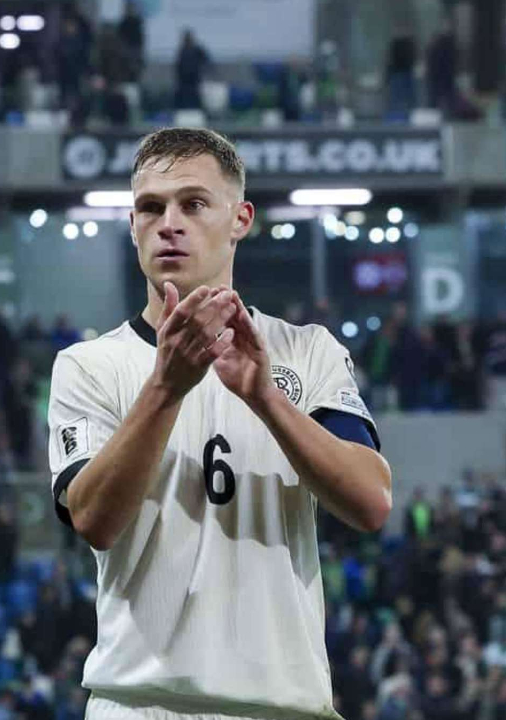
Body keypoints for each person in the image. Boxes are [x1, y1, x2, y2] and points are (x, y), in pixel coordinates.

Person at [47, 128, 391, 719]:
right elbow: (94, 521)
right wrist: (166, 388)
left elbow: (371, 503)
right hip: (142, 703)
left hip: (283, 707)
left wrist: (264, 396)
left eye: (193, 204)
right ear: (132, 226)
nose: (169, 224)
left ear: (240, 219)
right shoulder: (89, 366)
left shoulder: (307, 351)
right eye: (151, 208)